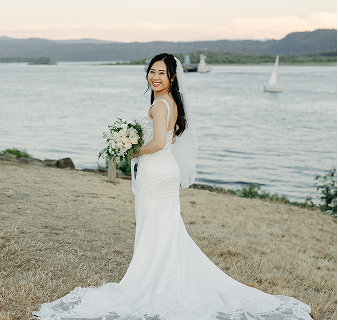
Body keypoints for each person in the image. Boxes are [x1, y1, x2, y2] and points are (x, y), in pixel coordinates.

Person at [33, 53, 312, 320]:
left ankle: (152, 279)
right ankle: (162, 273)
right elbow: (171, 140)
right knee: (165, 226)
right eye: (151, 72)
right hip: (166, 170)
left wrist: (133, 150)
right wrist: (144, 144)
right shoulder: (172, 103)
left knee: (155, 226)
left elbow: (156, 143)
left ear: (172, 77)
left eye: (161, 73)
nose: (154, 77)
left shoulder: (159, 105)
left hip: (155, 172)